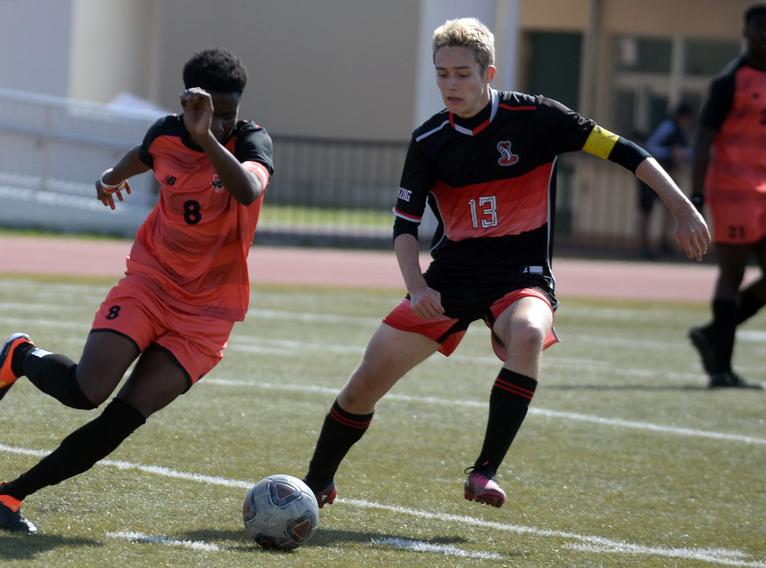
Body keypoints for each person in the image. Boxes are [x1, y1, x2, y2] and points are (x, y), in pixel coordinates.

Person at [300, 18, 710, 510]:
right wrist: (416, 288)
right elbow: (404, 228)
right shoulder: (430, 140)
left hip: (522, 276)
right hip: (450, 279)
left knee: (529, 333)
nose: (450, 85)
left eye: (462, 74)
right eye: (442, 74)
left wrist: (683, 208)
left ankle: (484, 472)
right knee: (366, 382)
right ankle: (315, 481)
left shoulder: (537, 117)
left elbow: (624, 151)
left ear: (488, 72)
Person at [0, 47, 274, 533]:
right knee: (87, 392)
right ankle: (20, 357)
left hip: (208, 314)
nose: (221, 126)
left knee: (123, 420)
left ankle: (9, 495)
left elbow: (248, 191)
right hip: (151, 283)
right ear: (188, 102)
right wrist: (109, 177)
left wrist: (209, 138)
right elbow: (144, 156)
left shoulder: (251, 140)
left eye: (227, 115)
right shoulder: (166, 134)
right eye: (211, 115)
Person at [688, 4, 766, 390]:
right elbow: (703, 139)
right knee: (732, 275)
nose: (764, 35)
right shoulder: (729, 81)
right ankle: (722, 367)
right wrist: (696, 195)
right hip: (733, 189)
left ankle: (711, 334)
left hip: (765, 188)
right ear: (746, 33)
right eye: (758, 29)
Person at [636, 102, 695, 258]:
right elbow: (649, 146)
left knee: (669, 208)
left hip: (666, 175)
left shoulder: (682, 131)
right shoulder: (668, 127)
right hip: (649, 174)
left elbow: (684, 152)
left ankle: (664, 242)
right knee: (646, 210)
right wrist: (669, 152)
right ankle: (644, 245)